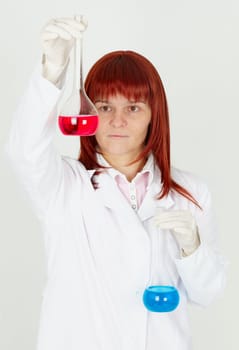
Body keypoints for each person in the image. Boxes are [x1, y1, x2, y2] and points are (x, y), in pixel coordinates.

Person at [6, 16, 227, 350]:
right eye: (105, 106)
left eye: (134, 107)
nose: (117, 120)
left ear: (155, 114)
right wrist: (53, 70)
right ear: (88, 111)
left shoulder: (191, 194)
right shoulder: (64, 187)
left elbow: (207, 294)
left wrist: (192, 248)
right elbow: (23, 150)